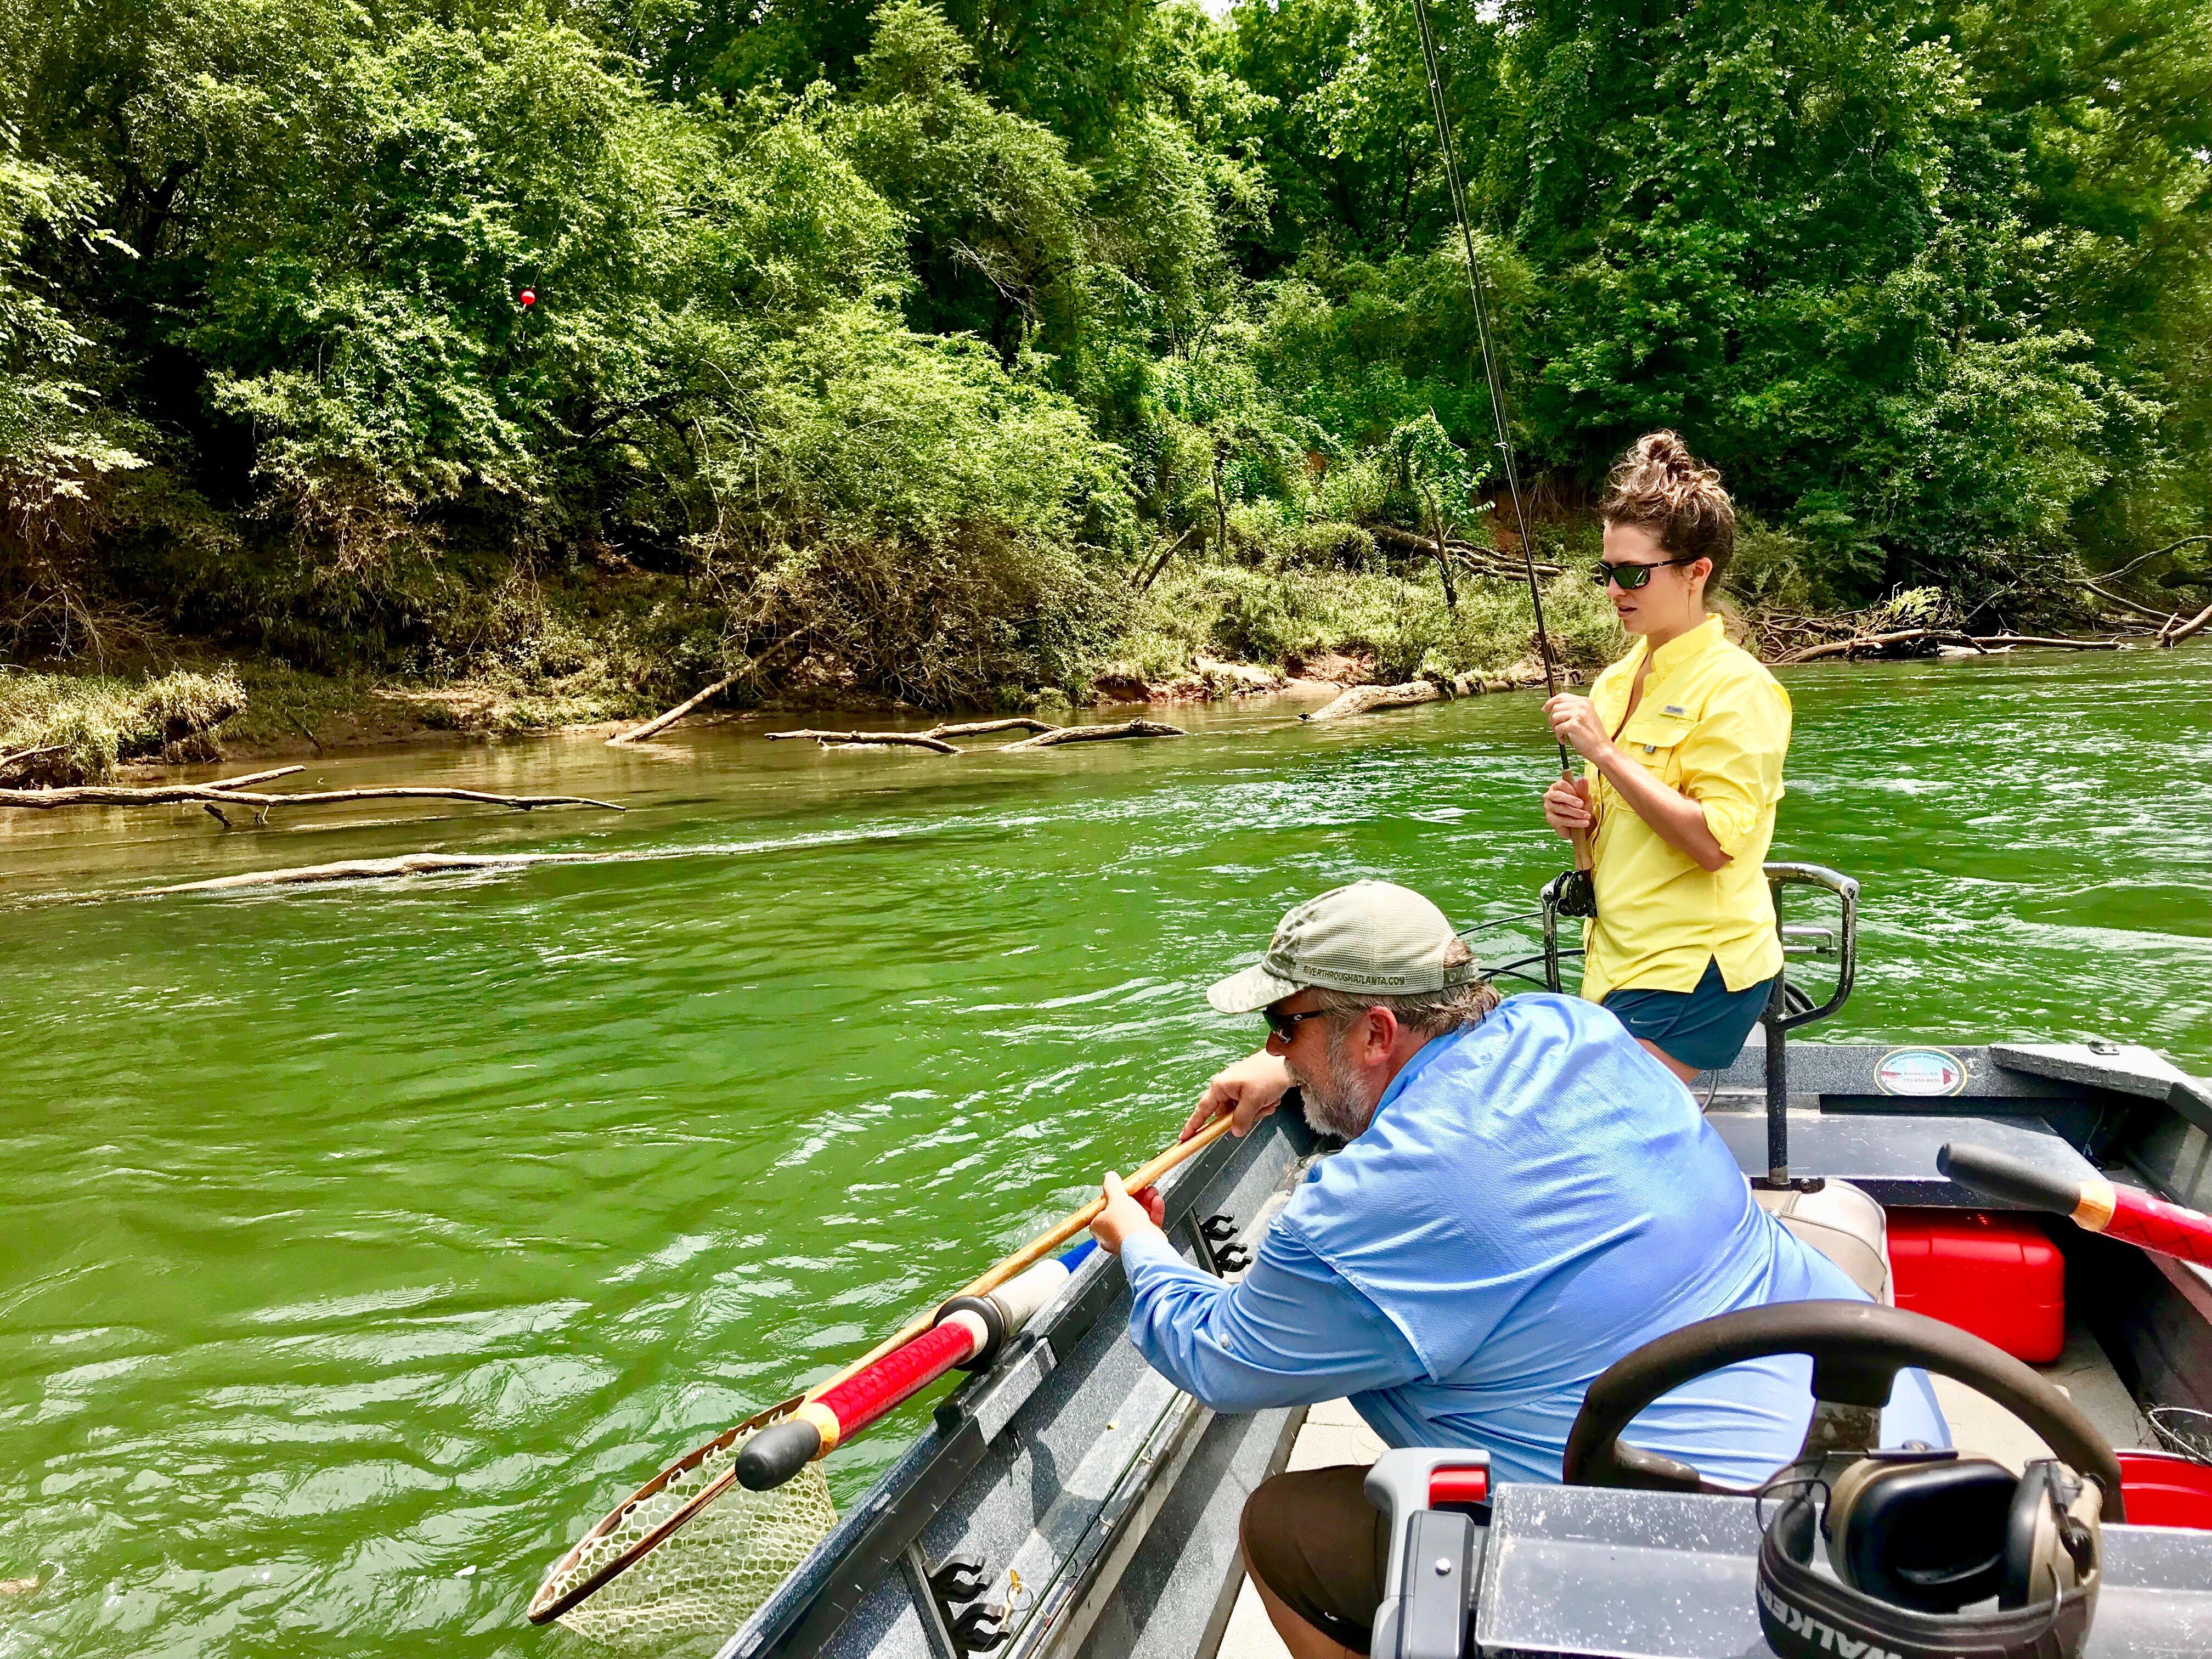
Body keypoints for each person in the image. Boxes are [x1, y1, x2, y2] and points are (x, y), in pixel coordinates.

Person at [1090, 879, 1945, 1659]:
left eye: (1286, 1026)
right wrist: (1294, 1071)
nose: (1278, 1044)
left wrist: (1139, 1245)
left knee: (1286, 1530)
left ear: (1378, 1032)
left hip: (1727, 1592)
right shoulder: (1575, 1028)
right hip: (1888, 1469)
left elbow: (1220, 1357)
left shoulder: (1358, 1209)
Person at [1540, 432, 1791, 1082]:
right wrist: (1579, 814)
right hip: (1618, 959)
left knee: (1603, 1128)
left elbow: (1714, 844)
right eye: (1607, 572)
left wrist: (1606, 755)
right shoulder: (1615, 680)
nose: (1615, 590)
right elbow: (1626, 814)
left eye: (1633, 573)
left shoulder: (1740, 687)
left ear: (1695, 572)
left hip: (1697, 968)